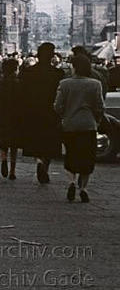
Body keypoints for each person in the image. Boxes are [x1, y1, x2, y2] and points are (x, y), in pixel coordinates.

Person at [55, 55, 104, 203]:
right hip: (88, 125)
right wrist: (97, 120)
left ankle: (71, 182)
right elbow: (100, 106)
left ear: (74, 67)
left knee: (71, 154)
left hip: (70, 125)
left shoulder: (65, 84)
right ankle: (83, 188)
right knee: (87, 157)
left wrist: (64, 115)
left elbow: (57, 106)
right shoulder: (95, 84)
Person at [19, 42, 64, 184]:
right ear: (51, 56)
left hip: (32, 111)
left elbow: (22, 93)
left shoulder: (28, 72)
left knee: (35, 139)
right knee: (49, 142)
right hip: (51, 112)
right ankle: (45, 165)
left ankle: (38, 160)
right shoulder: (58, 74)